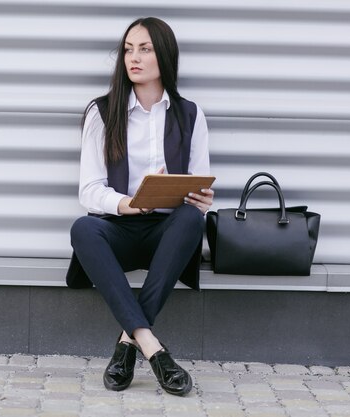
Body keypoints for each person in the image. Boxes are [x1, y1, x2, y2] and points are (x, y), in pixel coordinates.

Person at [65, 17, 213, 396]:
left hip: (167, 233)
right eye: (129, 49)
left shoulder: (190, 114)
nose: (134, 57)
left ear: (164, 55)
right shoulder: (102, 112)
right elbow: (90, 190)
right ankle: (151, 347)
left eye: (145, 49)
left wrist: (200, 198)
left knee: (190, 219)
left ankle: (127, 345)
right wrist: (127, 204)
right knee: (83, 228)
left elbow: (199, 181)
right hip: (120, 230)